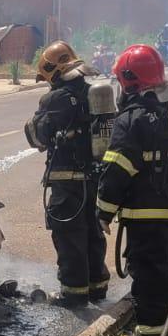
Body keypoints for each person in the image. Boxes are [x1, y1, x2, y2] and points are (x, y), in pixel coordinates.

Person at [97, 44, 168, 336]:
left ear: (129, 80)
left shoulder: (132, 118)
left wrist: (103, 211)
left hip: (145, 211)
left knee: (150, 269)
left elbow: (117, 168)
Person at [25, 40, 109, 306]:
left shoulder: (56, 97)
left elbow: (38, 136)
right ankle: (97, 287)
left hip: (67, 182)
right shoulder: (91, 93)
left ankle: (73, 293)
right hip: (93, 180)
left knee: (68, 234)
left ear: (53, 69)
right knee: (92, 233)